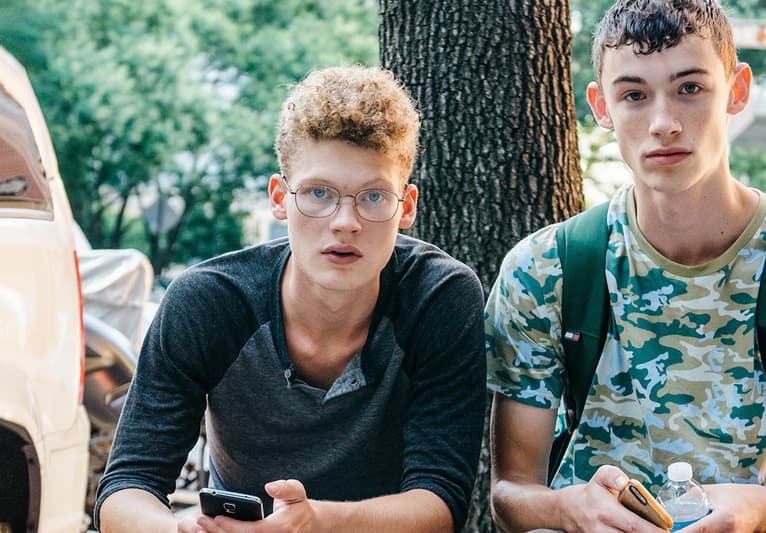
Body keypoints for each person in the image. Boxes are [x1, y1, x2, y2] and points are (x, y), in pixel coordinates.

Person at [95, 65, 486, 533]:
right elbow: (126, 485)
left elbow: (441, 503)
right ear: (279, 198)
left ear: (407, 206)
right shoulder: (209, 301)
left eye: (375, 196)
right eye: (319, 193)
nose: (346, 221)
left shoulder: (439, 297)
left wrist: (317, 522)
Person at [485, 1, 766, 531]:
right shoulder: (545, 271)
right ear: (601, 106)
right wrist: (569, 507)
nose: (663, 123)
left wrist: (764, 510)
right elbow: (510, 495)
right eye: (633, 94)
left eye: (690, 88)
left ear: (737, 90)